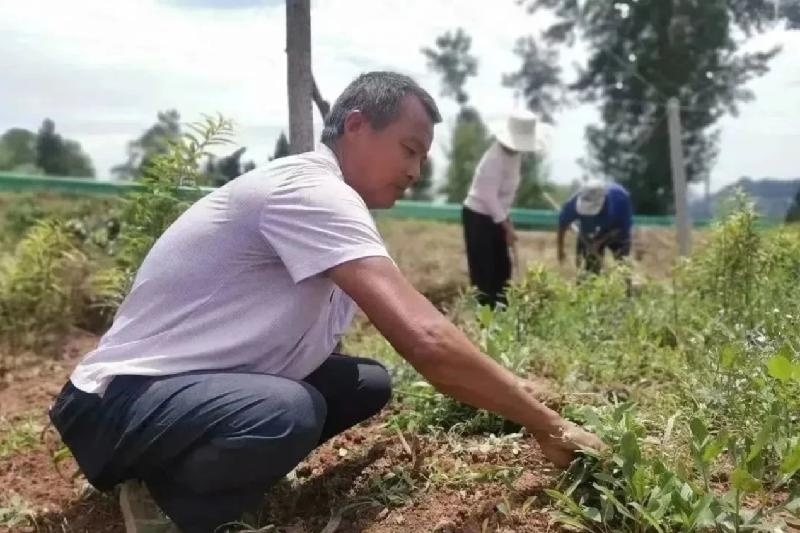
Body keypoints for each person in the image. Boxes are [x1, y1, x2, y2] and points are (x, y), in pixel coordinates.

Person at [48, 72, 603, 533]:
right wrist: (545, 423)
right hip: (115, 403)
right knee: (289, 412)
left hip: (178, 393)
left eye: (423, 158)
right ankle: (163, 504)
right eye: (409, 150)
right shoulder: (313, 191)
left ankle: (196, 466)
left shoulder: (335, 204)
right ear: (356, 126)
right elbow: (426, 339)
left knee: (363, 383)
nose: (416, 172)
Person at [462, 111, 537, 308]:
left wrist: (505, 222)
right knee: (485, 272)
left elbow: (503, 197)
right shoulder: (493, 159)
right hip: (479, 216)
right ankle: (485, 320)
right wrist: (506, 225)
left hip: (496, 216)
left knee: (503, 270)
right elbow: (488, 196)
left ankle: (502, 314)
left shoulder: (515, 157)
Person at [557, 179, 634, 274]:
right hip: (590, 231)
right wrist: (560, 250)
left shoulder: (619, 201)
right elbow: (563, 225)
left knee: (622, 265)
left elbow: (621, 229)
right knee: (591, 269)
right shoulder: (572, 205)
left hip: (617, 231)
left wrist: (599, 242)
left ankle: (626, 285)